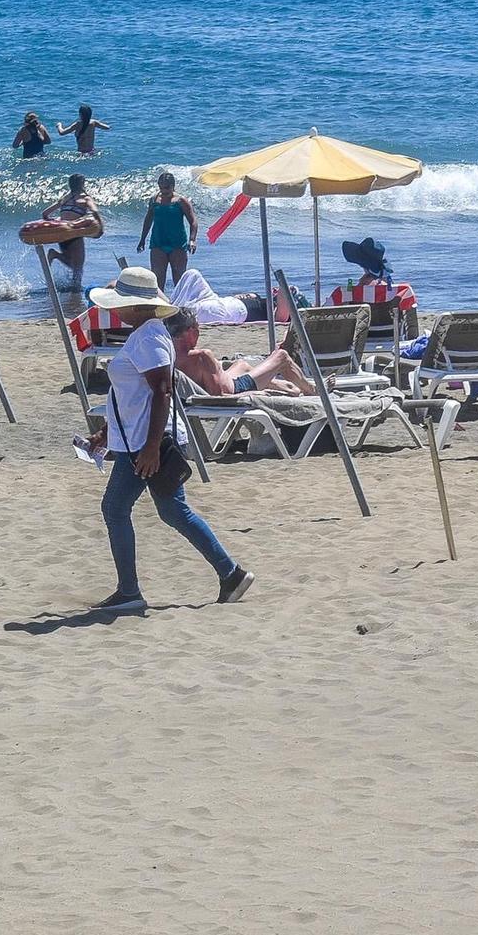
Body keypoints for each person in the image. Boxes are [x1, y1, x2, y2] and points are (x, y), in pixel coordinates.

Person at [85, 269, 252, 611]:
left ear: (135, 306)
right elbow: (132, 396)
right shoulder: (145, 334)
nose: (116, 310)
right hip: (136, 439)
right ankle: (230, 574)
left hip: (148, 442)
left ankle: (130, 592)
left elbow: (162, 390)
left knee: (118, 508)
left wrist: (150, 447)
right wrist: (106, 432)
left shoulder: (147, 337)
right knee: (170, 510)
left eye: (120, 304)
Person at [171, 309, 318, 397]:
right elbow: (219, 395)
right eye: (198, 329)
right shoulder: (202, 356)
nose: (199, 333)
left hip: (216, 386)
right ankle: (312, 390)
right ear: (191, 331)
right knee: (281, 356)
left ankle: (290, 387)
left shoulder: (170, 355)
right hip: (237, 388)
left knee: (241, 364)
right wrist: (254, 394)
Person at [136, 172, 198, 289]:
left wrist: (192, 240)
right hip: (158, 243)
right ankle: (159, 306)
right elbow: (148, 220)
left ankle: (180, 306)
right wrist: (142, 239)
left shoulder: (181, 201)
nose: (164, 190)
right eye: (161, 187)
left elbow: (193, 221)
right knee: (157, 280)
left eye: (167, 188)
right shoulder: (154, 200)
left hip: (178, 244)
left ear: (173, 186)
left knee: (179, 280)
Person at [40, 174, 101, 289]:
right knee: (78, 267)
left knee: (72, 262)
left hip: (61, 232)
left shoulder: (65, 198)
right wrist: (100, 227)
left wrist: (54, 223)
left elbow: (45, 214)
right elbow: (95, 212)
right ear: (82, 184)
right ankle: (75, 291)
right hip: (74, 232)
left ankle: (56, 256)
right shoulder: (85, 198)